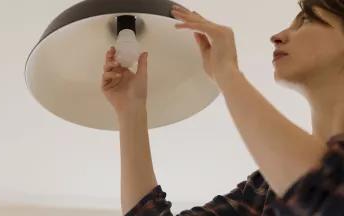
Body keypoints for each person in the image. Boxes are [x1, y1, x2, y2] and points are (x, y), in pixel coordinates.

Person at [101, 0, 344, 215]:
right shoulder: (267, 190)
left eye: (306, 21)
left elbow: (322, 193)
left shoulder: (298, 184)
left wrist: (227, 72)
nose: (277, 36)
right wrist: (131, 111)